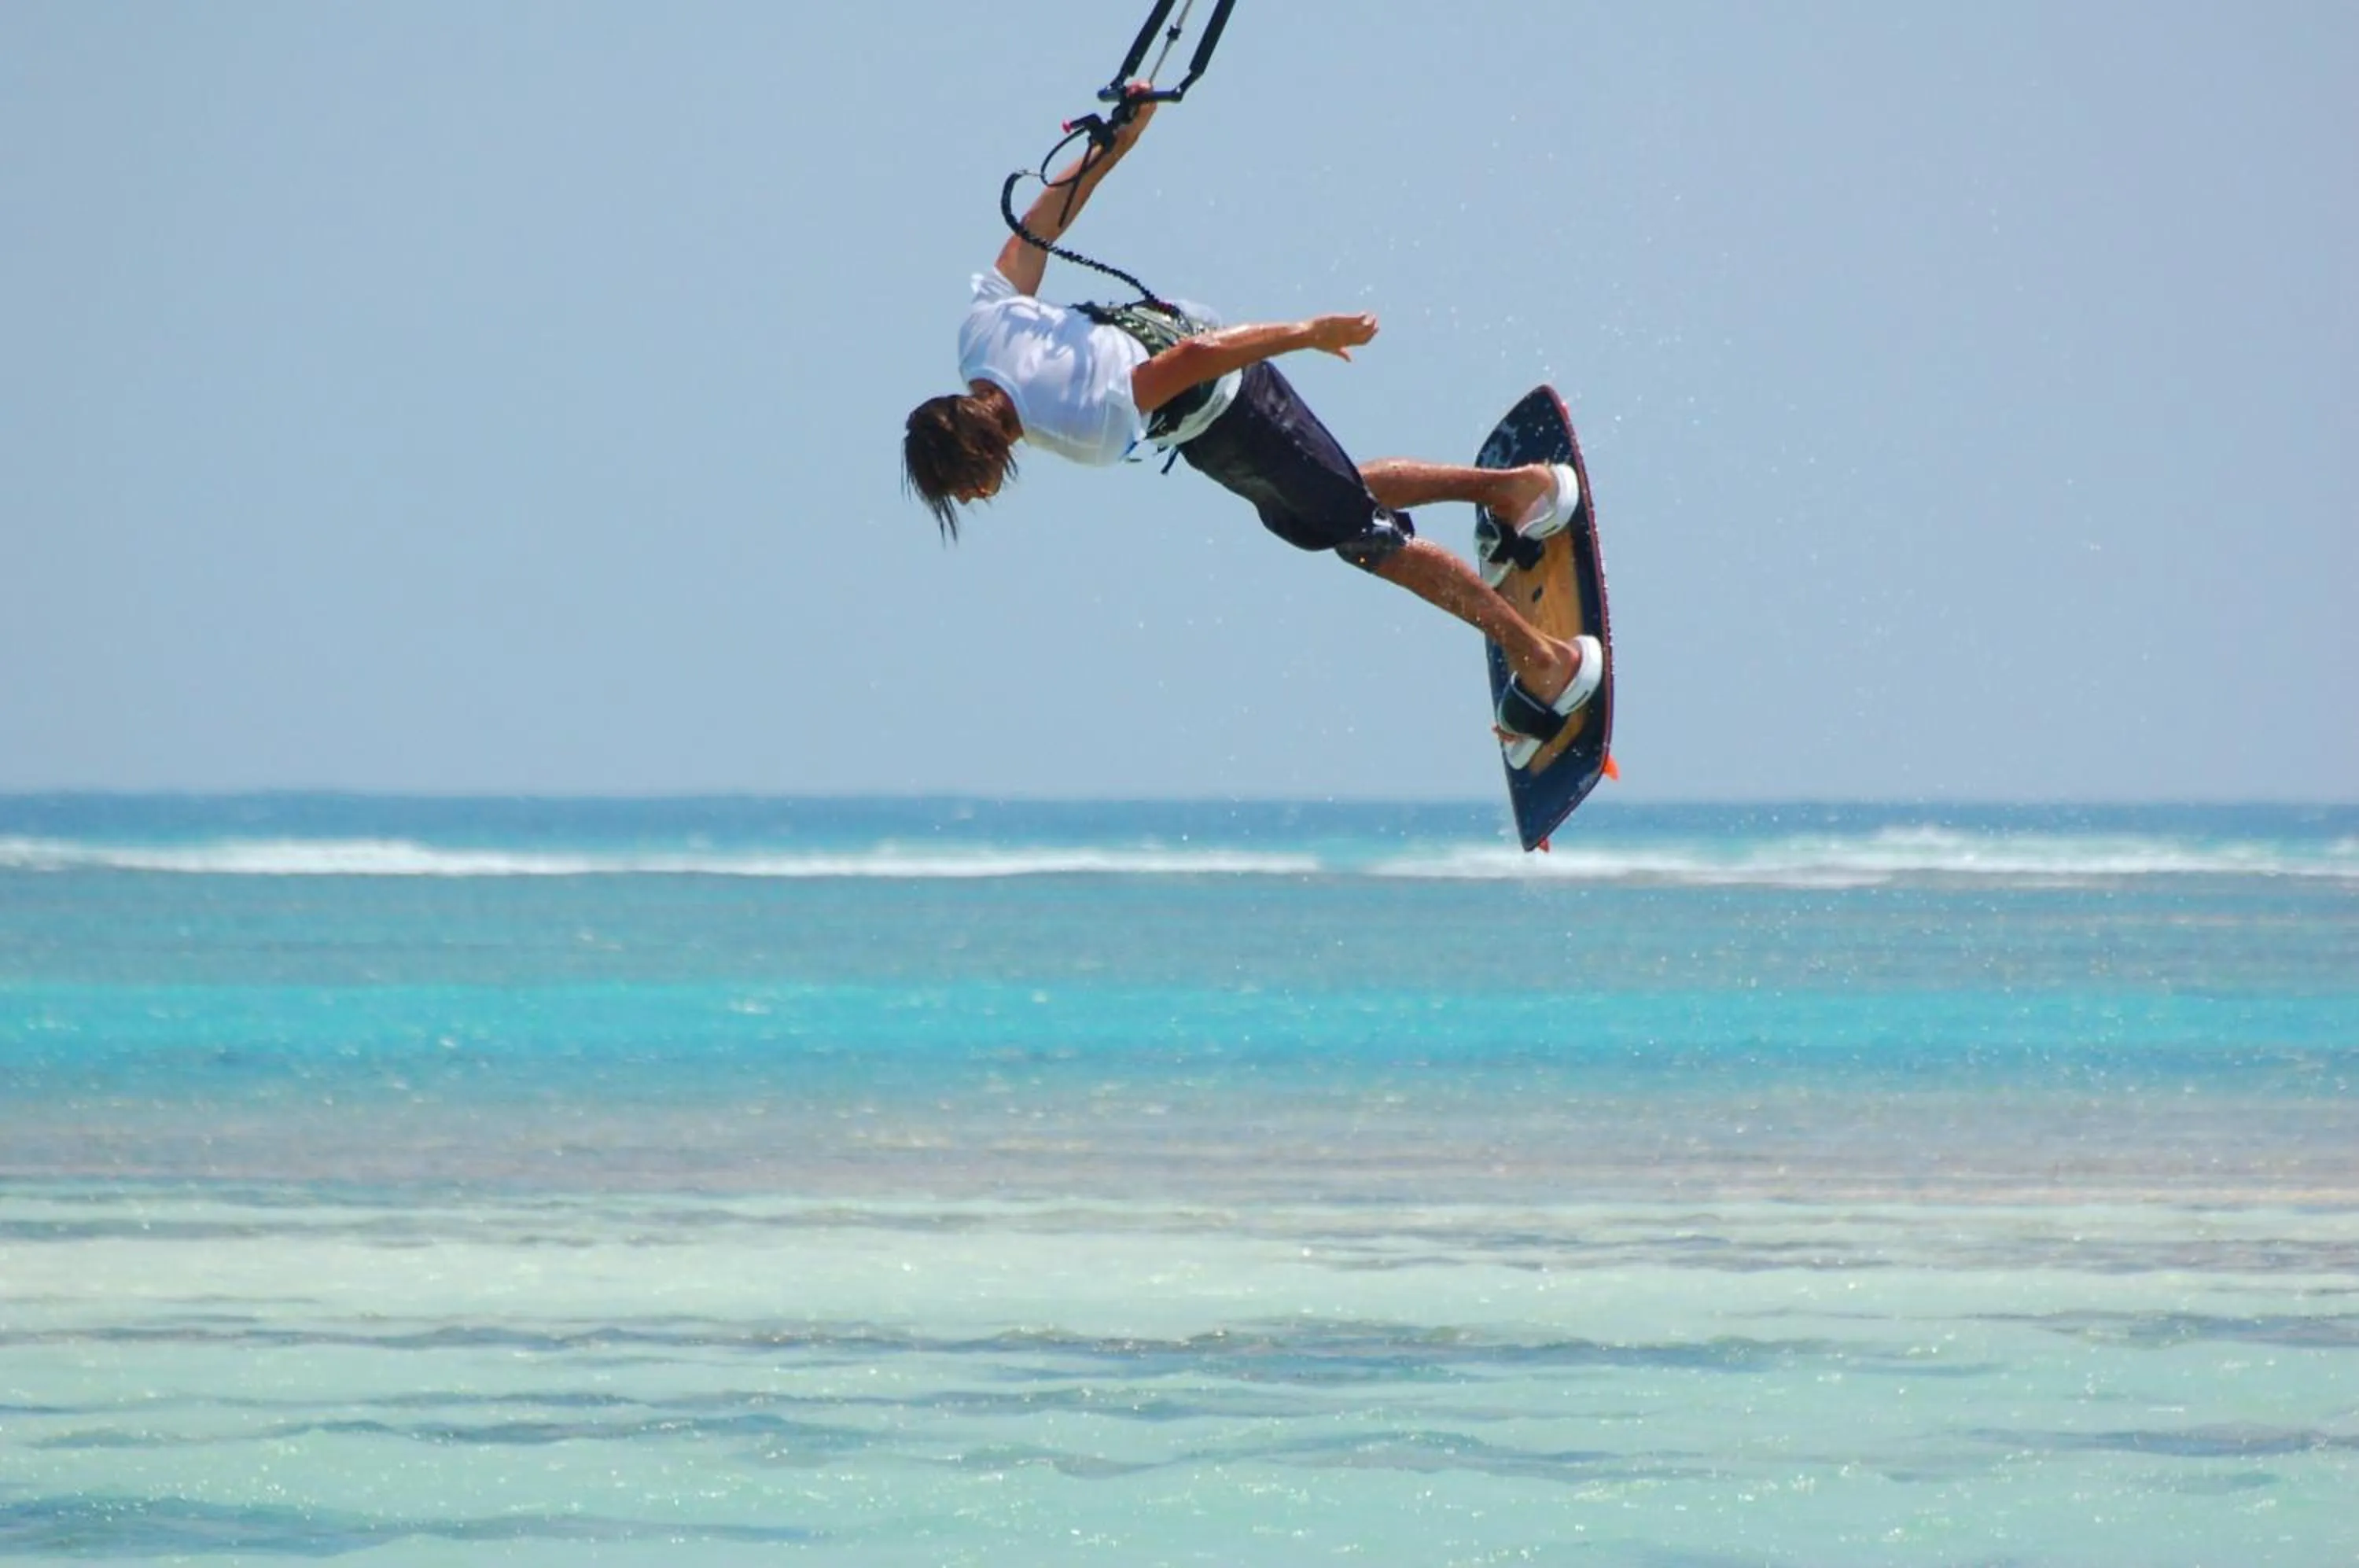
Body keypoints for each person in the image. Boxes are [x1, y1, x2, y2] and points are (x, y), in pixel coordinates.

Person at [902, 95, 1602, 766]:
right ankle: (1515, 492)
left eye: (960, 488)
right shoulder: (979, 338)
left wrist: (1305, 333)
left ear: (977, 453)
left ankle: (1544, 659)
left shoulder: (1079, 420)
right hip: (1201, 401)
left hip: (1231, 405)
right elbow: (1043, 220)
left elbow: (1195, 362)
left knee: (1365, 537)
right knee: (1324, 507)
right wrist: (1117, 139)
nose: (969, 500)